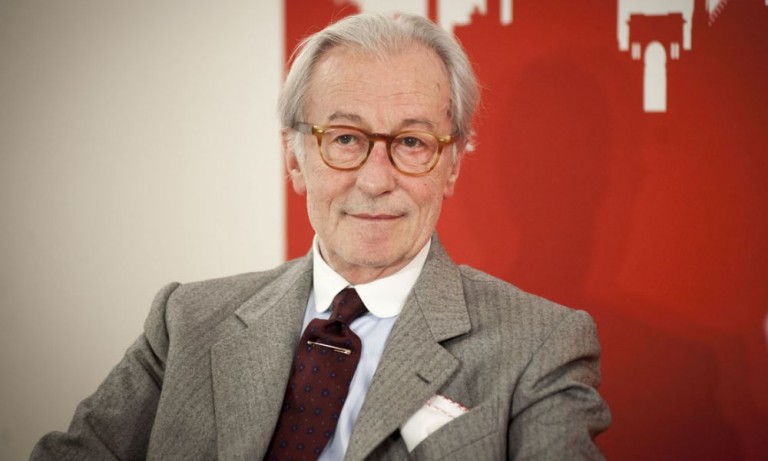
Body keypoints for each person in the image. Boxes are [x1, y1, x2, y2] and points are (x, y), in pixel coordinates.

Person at [31, 12, 610, 461]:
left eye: (411, 142)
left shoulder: (540, 347)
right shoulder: (186, 321)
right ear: (295, 158)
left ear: (451, 165)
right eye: (345, 138)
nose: (376, 180)